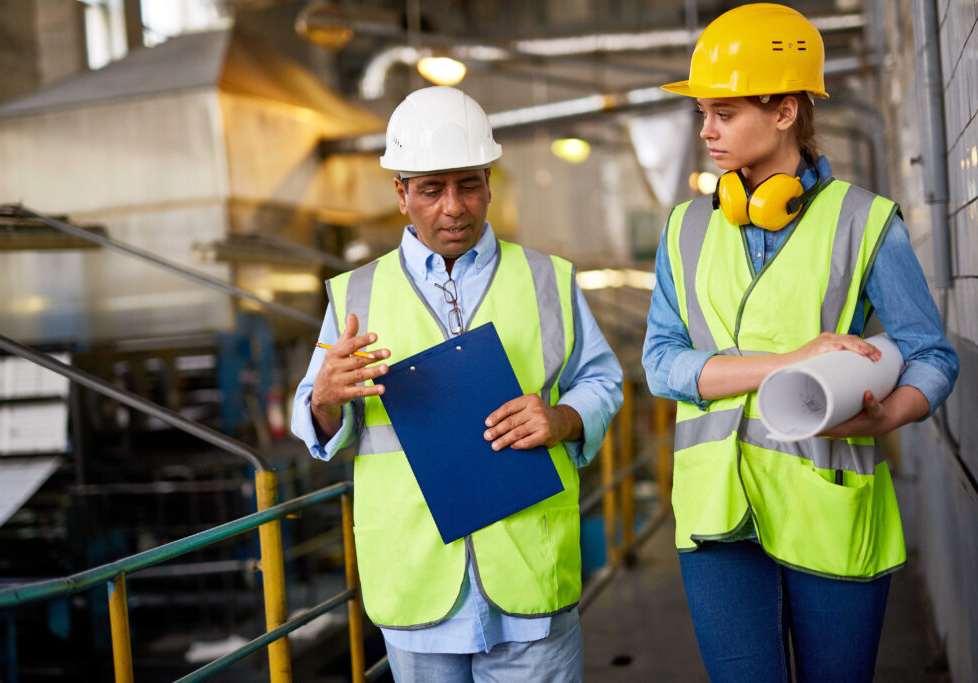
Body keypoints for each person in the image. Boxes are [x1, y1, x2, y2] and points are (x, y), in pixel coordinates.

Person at [642, 4, 959, 683]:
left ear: (785, 111)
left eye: (723, 114)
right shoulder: (684, 229)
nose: (707, 131)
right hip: (715, 514)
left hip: (828, 496)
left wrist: (890, 412)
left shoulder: (865, 221)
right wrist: (787, 362)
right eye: (702, 113)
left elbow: (932, 353)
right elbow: (661, 364)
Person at [292, 86, 622, 682]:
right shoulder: (355, 295)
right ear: (401, 194)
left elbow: (601, 380)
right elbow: (314, 418)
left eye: (469, 184)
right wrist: (324, 398)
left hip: (529, 575)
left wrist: (563, 418)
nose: (454, 207)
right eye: (431, 189)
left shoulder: (548, 279)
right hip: (418, 581)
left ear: (490, 181)